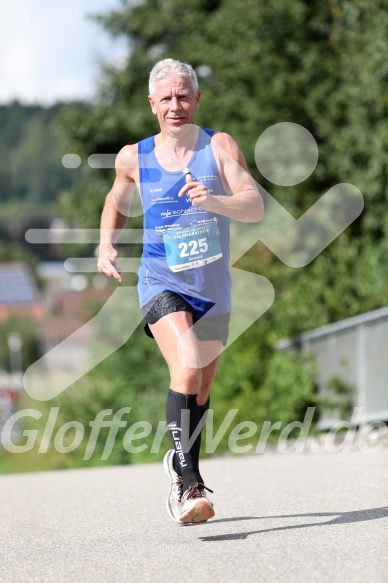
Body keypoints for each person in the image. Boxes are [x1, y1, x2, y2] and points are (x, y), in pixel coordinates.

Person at [97, 58, 264, 524]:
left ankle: (180, 460)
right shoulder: (134, 157)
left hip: (213, 288)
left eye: (183, 96)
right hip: (160, 280)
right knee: (187, 364)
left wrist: (214, 200)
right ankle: (187, 486)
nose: (176, 105)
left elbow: (253, 206)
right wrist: (106, 243)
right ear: (152, 104)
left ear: (197, 99)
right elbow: (117, 199)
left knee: (202, 385)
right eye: (166, 98)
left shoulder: (220, 146)